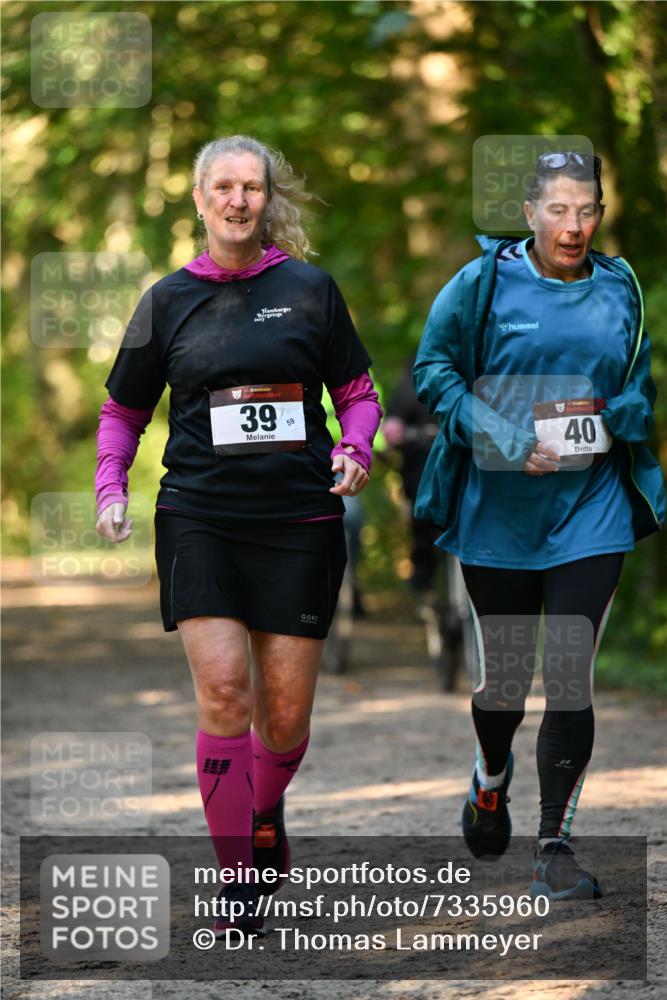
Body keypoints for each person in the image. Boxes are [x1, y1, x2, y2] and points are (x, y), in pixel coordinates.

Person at [95, 135, 382, 935]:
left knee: (283, 720)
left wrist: (355, 447)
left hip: (299, 518)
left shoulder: (310, 291)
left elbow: (358, 393)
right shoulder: (166, 301)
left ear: (266, 199)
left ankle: (264, 807)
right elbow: (123, 410)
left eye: (251, 187)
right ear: (198, 198)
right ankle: (239, 883)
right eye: (222, 186)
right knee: (224, 691)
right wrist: (111, 486)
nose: (237, 199)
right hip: (200, 515)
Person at [414, 151, 665, 900]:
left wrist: (607, 416)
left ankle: (552, 844)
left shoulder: (620, 290)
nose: (573, 225)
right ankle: (490, 778)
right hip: (497, 515)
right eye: (557, 210)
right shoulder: (481, 283)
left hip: (591, 510)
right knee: (505, 687)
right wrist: (494, 431)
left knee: (568, 677)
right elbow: (434, 373)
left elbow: (636, 395)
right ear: (528, 215)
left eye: (586, 209)